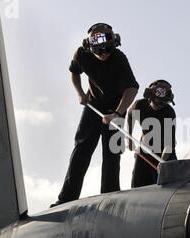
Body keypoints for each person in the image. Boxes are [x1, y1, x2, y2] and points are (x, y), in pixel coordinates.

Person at [52, 23, 139, 207]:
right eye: (100, 51)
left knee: (112, 153)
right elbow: (74, 73)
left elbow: (132, 88)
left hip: (117, 108)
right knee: (82, 149)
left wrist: (117, 113)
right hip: (94, 106)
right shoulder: (81, 54)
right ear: (90, 47)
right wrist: (80, 93)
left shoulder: (119, 59)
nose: (104, 54)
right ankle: (66, 198)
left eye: (108, 50)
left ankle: (110, 197)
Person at [127, 80, 177, 188]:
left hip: (166, 152)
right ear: (149, 96)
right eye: (156, 101)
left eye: (162, 103)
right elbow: (130, 116)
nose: (158, 105)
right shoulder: (139, 105)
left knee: (171, 185)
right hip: (145, 151)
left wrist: (162, 162)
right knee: (138, 185)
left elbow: (169, 144)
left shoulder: (169, 113)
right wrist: (129, 137)